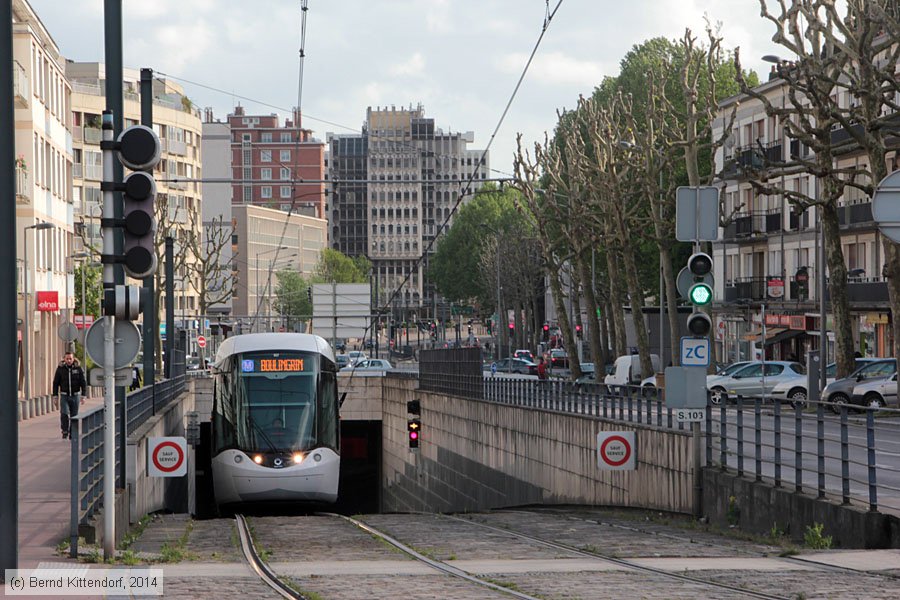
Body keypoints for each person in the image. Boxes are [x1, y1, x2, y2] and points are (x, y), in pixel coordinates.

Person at [52, 351, 86, 440]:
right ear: (64, 359)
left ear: (73, 359)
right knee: (64, 413)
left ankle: (72, 433)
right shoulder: (60, 369)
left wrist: (83, 395)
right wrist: (55, 396)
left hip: (75, 396)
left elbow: (83, 382)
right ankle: (65, 430)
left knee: (74, 416)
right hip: (64, 396)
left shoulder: (78, 369)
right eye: (67, 359)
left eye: (70, 358)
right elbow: (55, 383)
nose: (69, 360)